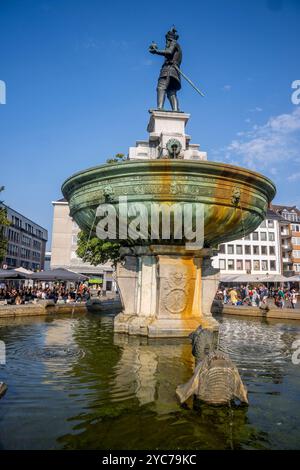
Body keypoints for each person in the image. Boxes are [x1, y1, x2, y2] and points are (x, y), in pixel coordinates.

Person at [149, 27, 182, 111]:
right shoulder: (177, 45)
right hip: (174, 71)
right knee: (171, 91)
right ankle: (175, 110)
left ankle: (160, 108)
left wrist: (156, 51)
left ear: (169, 39)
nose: (166, 43)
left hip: (169, 69)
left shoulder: (173, 43)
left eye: (166, 41)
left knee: (161, 87)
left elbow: (169, 52)